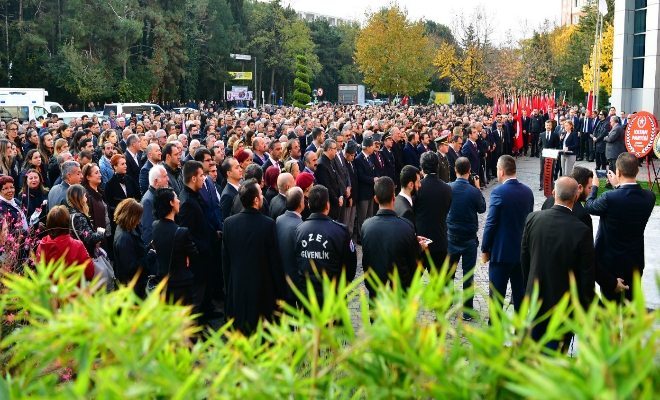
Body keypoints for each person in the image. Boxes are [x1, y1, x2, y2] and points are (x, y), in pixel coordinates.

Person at [521, 177, 595, 351]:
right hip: (564, 305)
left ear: (554, 193)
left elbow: (524, 259)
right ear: (576, 197)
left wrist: (528, 288)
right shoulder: (581, 230)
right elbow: (586, 275)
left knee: (533, 351)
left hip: (535, 298)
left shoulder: (533, 219)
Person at [584, 153, 656, 302]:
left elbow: (589, 206)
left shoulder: (610, 198)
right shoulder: (650, 197)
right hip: (635, 260)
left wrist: (595, 187)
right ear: (637, 171)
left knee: (610, 308)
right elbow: (627, 199)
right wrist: (618, 185)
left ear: (618, 172)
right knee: (630, 305)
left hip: (610, 263)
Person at [222, 178, 285, 334]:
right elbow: (274, 261)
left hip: (238, 288)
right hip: (263, 289)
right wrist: (281, 292)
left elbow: (225, 261)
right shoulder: (268, 224)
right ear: (256, 200)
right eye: (261, 194)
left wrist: (229, 289)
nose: (263, 196)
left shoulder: (229, 224)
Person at [481, 155, 534, 312]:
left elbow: (490, 223)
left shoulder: (498, 192)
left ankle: (494, 332)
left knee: (496, 299)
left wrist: (485, 248)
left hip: (501, 254)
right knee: (520, 298)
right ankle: (520, 333)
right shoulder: (528, 192)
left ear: (502, 171)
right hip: (521, 254)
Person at [295, 185, 357, 305]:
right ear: (328, 205)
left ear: (308, 205)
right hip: (333, 297)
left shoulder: (299, 230)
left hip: (307, 297)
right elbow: (350, 265)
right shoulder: (340, 231)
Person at [361, 177, 423, 299]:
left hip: (376, 289)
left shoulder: (366, 226)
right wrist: (419, 248)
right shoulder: (406, 226)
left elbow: (366, 260)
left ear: (375, 199)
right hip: (399, 291)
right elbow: (413, 263)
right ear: (394, 198)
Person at [178, 160, 219, 320]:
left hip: (205, 250)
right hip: (199, 256)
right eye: (202, 175)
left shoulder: (194, 196)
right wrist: (198, 251)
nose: (205, 178)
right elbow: (188, 233)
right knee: (198, 293)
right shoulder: (187, 201)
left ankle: (208, 312)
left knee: (206, 287)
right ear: (193, 178)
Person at [447, 157, 486, 320]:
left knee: (449, 273)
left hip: (451, 236)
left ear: (455, 170)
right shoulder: (473, 191)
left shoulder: (448, 188)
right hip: (469, 238)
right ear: (469, 171)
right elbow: (482, 208)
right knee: (468, 275)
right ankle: (468, 311)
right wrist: (477, 188)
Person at [152, 188, 197, 306]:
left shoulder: (155, 226)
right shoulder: (182, 232)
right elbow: (194, 254)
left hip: (163, 283)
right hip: (181, 285)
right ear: (171, 203)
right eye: (176, 198)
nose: (179, 201)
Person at [414, 152, 452, 271]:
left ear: (422, 168)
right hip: (439, 240)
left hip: (419, 242)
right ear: (438, 166)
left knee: (412, 284)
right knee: (439, 286)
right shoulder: (447, 188)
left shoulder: (418, 188)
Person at [36, 205, 93, 280]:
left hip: (49, 290)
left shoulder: (41, 246)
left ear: (48, 223)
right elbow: (90, 272)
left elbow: (39, 274)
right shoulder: (77, 245)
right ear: (67, 223)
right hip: (73, 289)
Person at [541, 165, 593, 232]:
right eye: (589, 187)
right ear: (580, 188)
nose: (591, 191)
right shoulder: (582, 215)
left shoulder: (548, 201)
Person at [275, 187, 305, 303]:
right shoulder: (300, 226)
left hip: (281, 275)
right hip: (295, 280)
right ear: (300, 204)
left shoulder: (279, 219)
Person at [113, 198, 147, 296]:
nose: (139, 220)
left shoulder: (125, 229)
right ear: (131, 217)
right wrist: (149, 256)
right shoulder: (124, 238)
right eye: (138, 217)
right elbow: (130, 268)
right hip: (132, 287)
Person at [67, 184, 106, 258]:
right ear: (79, 198)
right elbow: (89, 238)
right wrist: (100, 233)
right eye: (84, 196)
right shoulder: (78, 217)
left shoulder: (71, 213)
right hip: (86, 255)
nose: (86, 199)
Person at [104, 154, 140, 233]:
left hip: (133, 219)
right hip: (120, 223)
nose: (125, 166)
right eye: (122, 164)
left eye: (125, 163)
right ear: (115, 167)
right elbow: (109, 207)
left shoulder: (130, 180)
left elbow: (138, 196)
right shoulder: (109, 185)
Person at [140, 164, 170, 244]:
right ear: (156, 181)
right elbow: (148, 229)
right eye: (165, 176)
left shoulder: (158, 195)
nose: (168, 179)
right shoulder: (148, 201)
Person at [354, 136, 377, 238]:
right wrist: (373, 180)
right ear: (367, 147)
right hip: (363, 193)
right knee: (362, 218)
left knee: (370, 216)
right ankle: (361, 236)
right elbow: (360, 176)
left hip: (371, 192)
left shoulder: (370, 157)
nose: (374, 148)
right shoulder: (359, 159)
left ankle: (368, 234)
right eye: (372, 146)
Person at [315, 139, 343, 220]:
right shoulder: (321, 165)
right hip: (330, 204)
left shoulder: (331, 160)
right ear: (330, 149)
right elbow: (326, 186)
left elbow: (337, 179)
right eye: (335, 149)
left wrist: (341, 195)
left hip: (336, 201)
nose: (336, 151)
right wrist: (337, 200)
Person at [538, 120, 560, 190]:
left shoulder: (555, 135)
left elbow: (557, 145)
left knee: (551, 170)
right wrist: (541, 152)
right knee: (542, 170)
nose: (548, 127)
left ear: (551, 126)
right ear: (545, 126)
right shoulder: (542, 134)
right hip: (543, 155)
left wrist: (555, 154)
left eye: (549, 125)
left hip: (552, 155)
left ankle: (550, 184)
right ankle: (541, 185)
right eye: (547, 125)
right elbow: (539, 145)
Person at [219, 157, 242, 224]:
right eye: (237, 168)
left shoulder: (242, 186)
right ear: (229, 173)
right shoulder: (227, 195)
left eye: (240, 167)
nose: (240, 170)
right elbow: (226, 220)